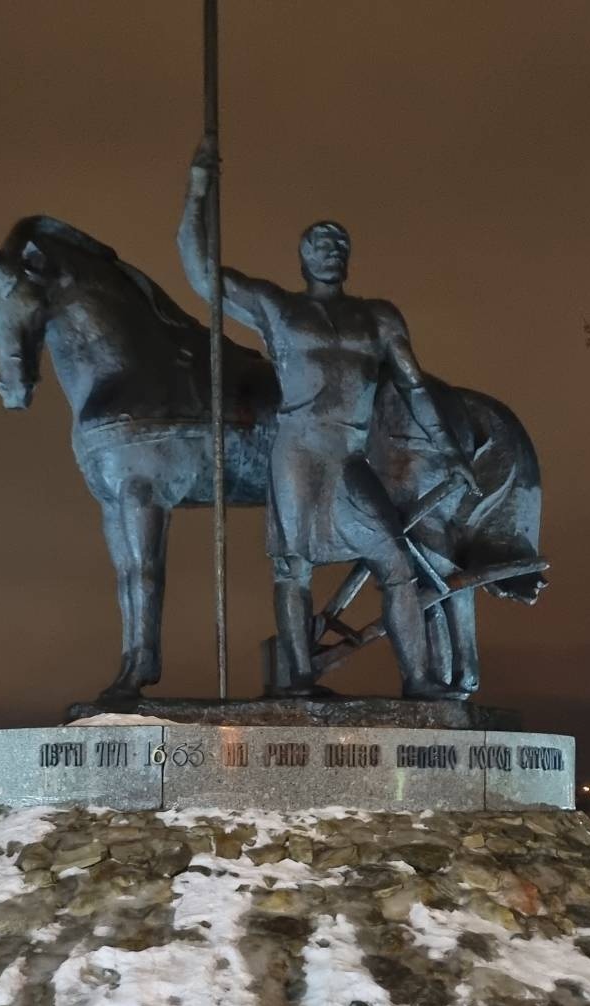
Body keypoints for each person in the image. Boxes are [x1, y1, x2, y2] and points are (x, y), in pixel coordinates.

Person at [178, 140, 475, 698]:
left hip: (348, 454)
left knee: (393, 556)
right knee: (293, 566)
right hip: (297, 451)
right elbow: (201, 275)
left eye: (339, 242)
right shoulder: (278, 308)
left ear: (349, 256)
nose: (330, 248)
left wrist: (449, 449)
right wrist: (198, 189)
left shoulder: (377, 317)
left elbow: (413, 382)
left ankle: (419, 679)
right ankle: (299, 680)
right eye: (318, 242)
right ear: (302, 256)